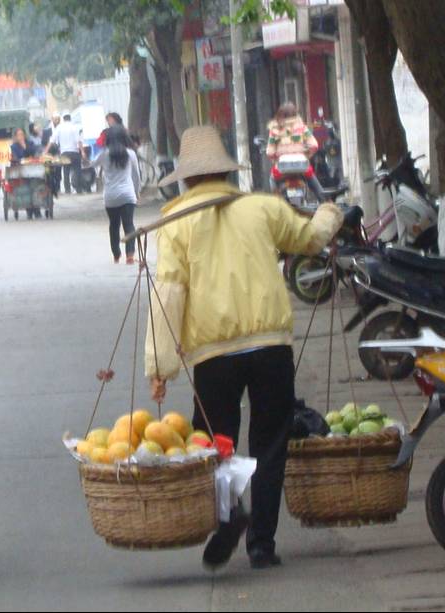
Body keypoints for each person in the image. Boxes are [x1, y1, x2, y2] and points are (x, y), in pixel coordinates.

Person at [145, 126, 341, 571]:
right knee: (270, 443)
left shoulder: (175, 223)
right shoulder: (261, 208)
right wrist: (330, 214)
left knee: (218, 444)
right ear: (225, 173)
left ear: (186, 178)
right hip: (270, 346)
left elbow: (170, 292)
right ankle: (262, 545)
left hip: (213, 354)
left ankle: (230, 516)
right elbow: (310, 240)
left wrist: (161, 365)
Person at [98, 126, 141, 264]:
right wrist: (137, 192)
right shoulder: (131, 154)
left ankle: (116, 254)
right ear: (124, 138)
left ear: (108, 139)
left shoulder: (104, 154)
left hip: (110, 196)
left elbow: (91, 164)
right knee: (129, 224)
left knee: (114, 224)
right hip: (128, 194)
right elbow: (136, 176)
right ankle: (130, 255)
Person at [265, 102, 322, 195]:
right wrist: (307, 155)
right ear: (296, 114)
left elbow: (270, 152)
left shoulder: (275, 130)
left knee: (272, 179)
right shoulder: (302, 128)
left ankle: (276, 200)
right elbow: (314, 145)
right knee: (312, 179)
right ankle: (325, 201)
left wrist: (275, 159)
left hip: (281, 169)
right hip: (302, 167)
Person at [55, 114, 83, 194]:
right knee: (77, 171)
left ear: (63, 120)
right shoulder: (74, 127)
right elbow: (78, 141)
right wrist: (83, 152)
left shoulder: (59, 128)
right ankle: (79, 189)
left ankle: (67, 190)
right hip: (74, 152)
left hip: (64, 153)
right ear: (70, 119)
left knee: (66, 172)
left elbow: (56, 142)